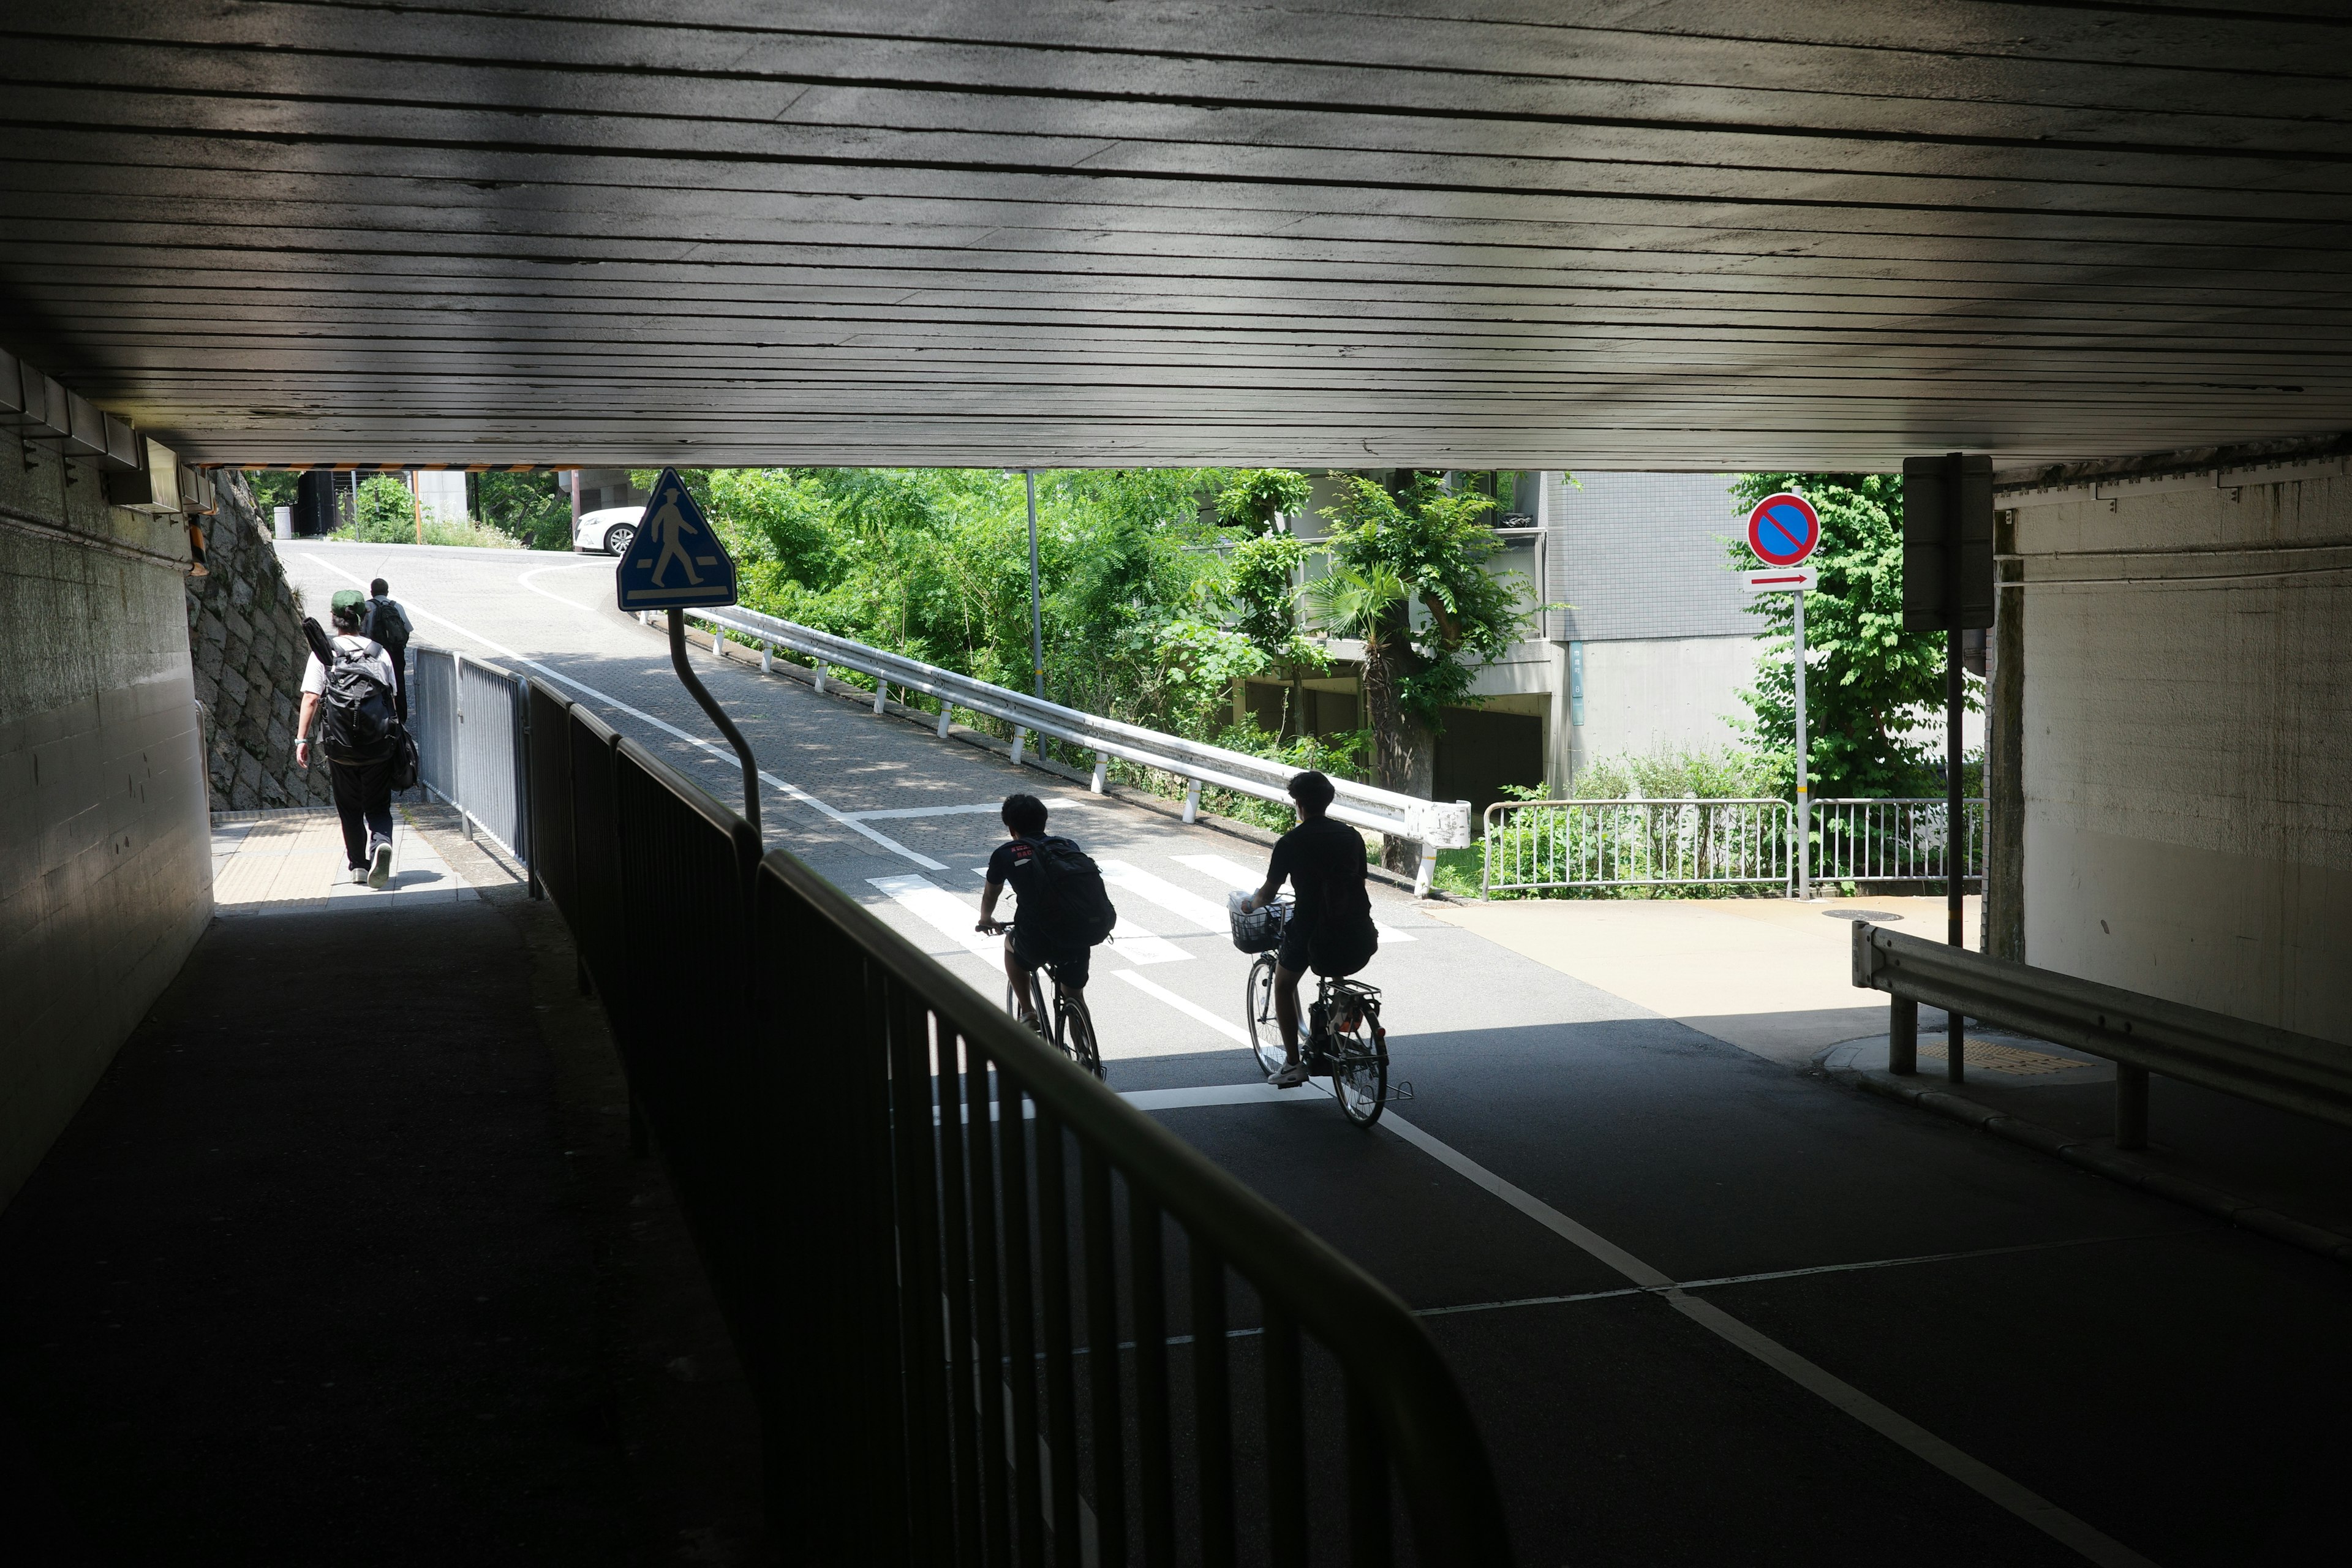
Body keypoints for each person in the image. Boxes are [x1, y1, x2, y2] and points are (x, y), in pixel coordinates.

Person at [1238, 771, 1379, 1087]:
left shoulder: (1291, 842)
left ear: (1299, 804)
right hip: (1356, 928)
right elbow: (1360, 879)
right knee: (1336, 974)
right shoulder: (1352, 837)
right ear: (1328, 801)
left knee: (1285, 986)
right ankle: (1337, 1033)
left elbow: (1268, 894)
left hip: (1311, 930)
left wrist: (1250, 905)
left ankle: (1292, 1065)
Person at [296, 589, 402, 888]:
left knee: (349, 805)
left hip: (340, 747)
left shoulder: (324, 652)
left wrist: (301, 740)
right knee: (378, 805)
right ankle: (381, 842)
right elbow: (391, 697)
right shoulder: (379, 652)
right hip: (378, 746)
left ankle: (357, 865)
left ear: (333, 618)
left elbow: (311, 699)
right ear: (364, 617)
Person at [975, 793, 1101, 1032]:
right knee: (1074, 995)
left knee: (1010, 944)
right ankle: (1086, 1058)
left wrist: (985, 920)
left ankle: (1029, 1013)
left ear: (1011, 828)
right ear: (1044, 821)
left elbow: (991, 895)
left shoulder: (1005, 854)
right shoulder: (1067, 846)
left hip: (1036, 937)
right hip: (1078, 933)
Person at [363, 576, 413, 723]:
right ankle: (401, 720)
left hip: (375, 653)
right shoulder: (397, 606)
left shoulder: (367, 606)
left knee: (376, 685)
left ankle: (381, 719)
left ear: (372, 592)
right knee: (399, 684)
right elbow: (408, 629)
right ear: (387, 592)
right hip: (396, 653)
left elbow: (362, 631)